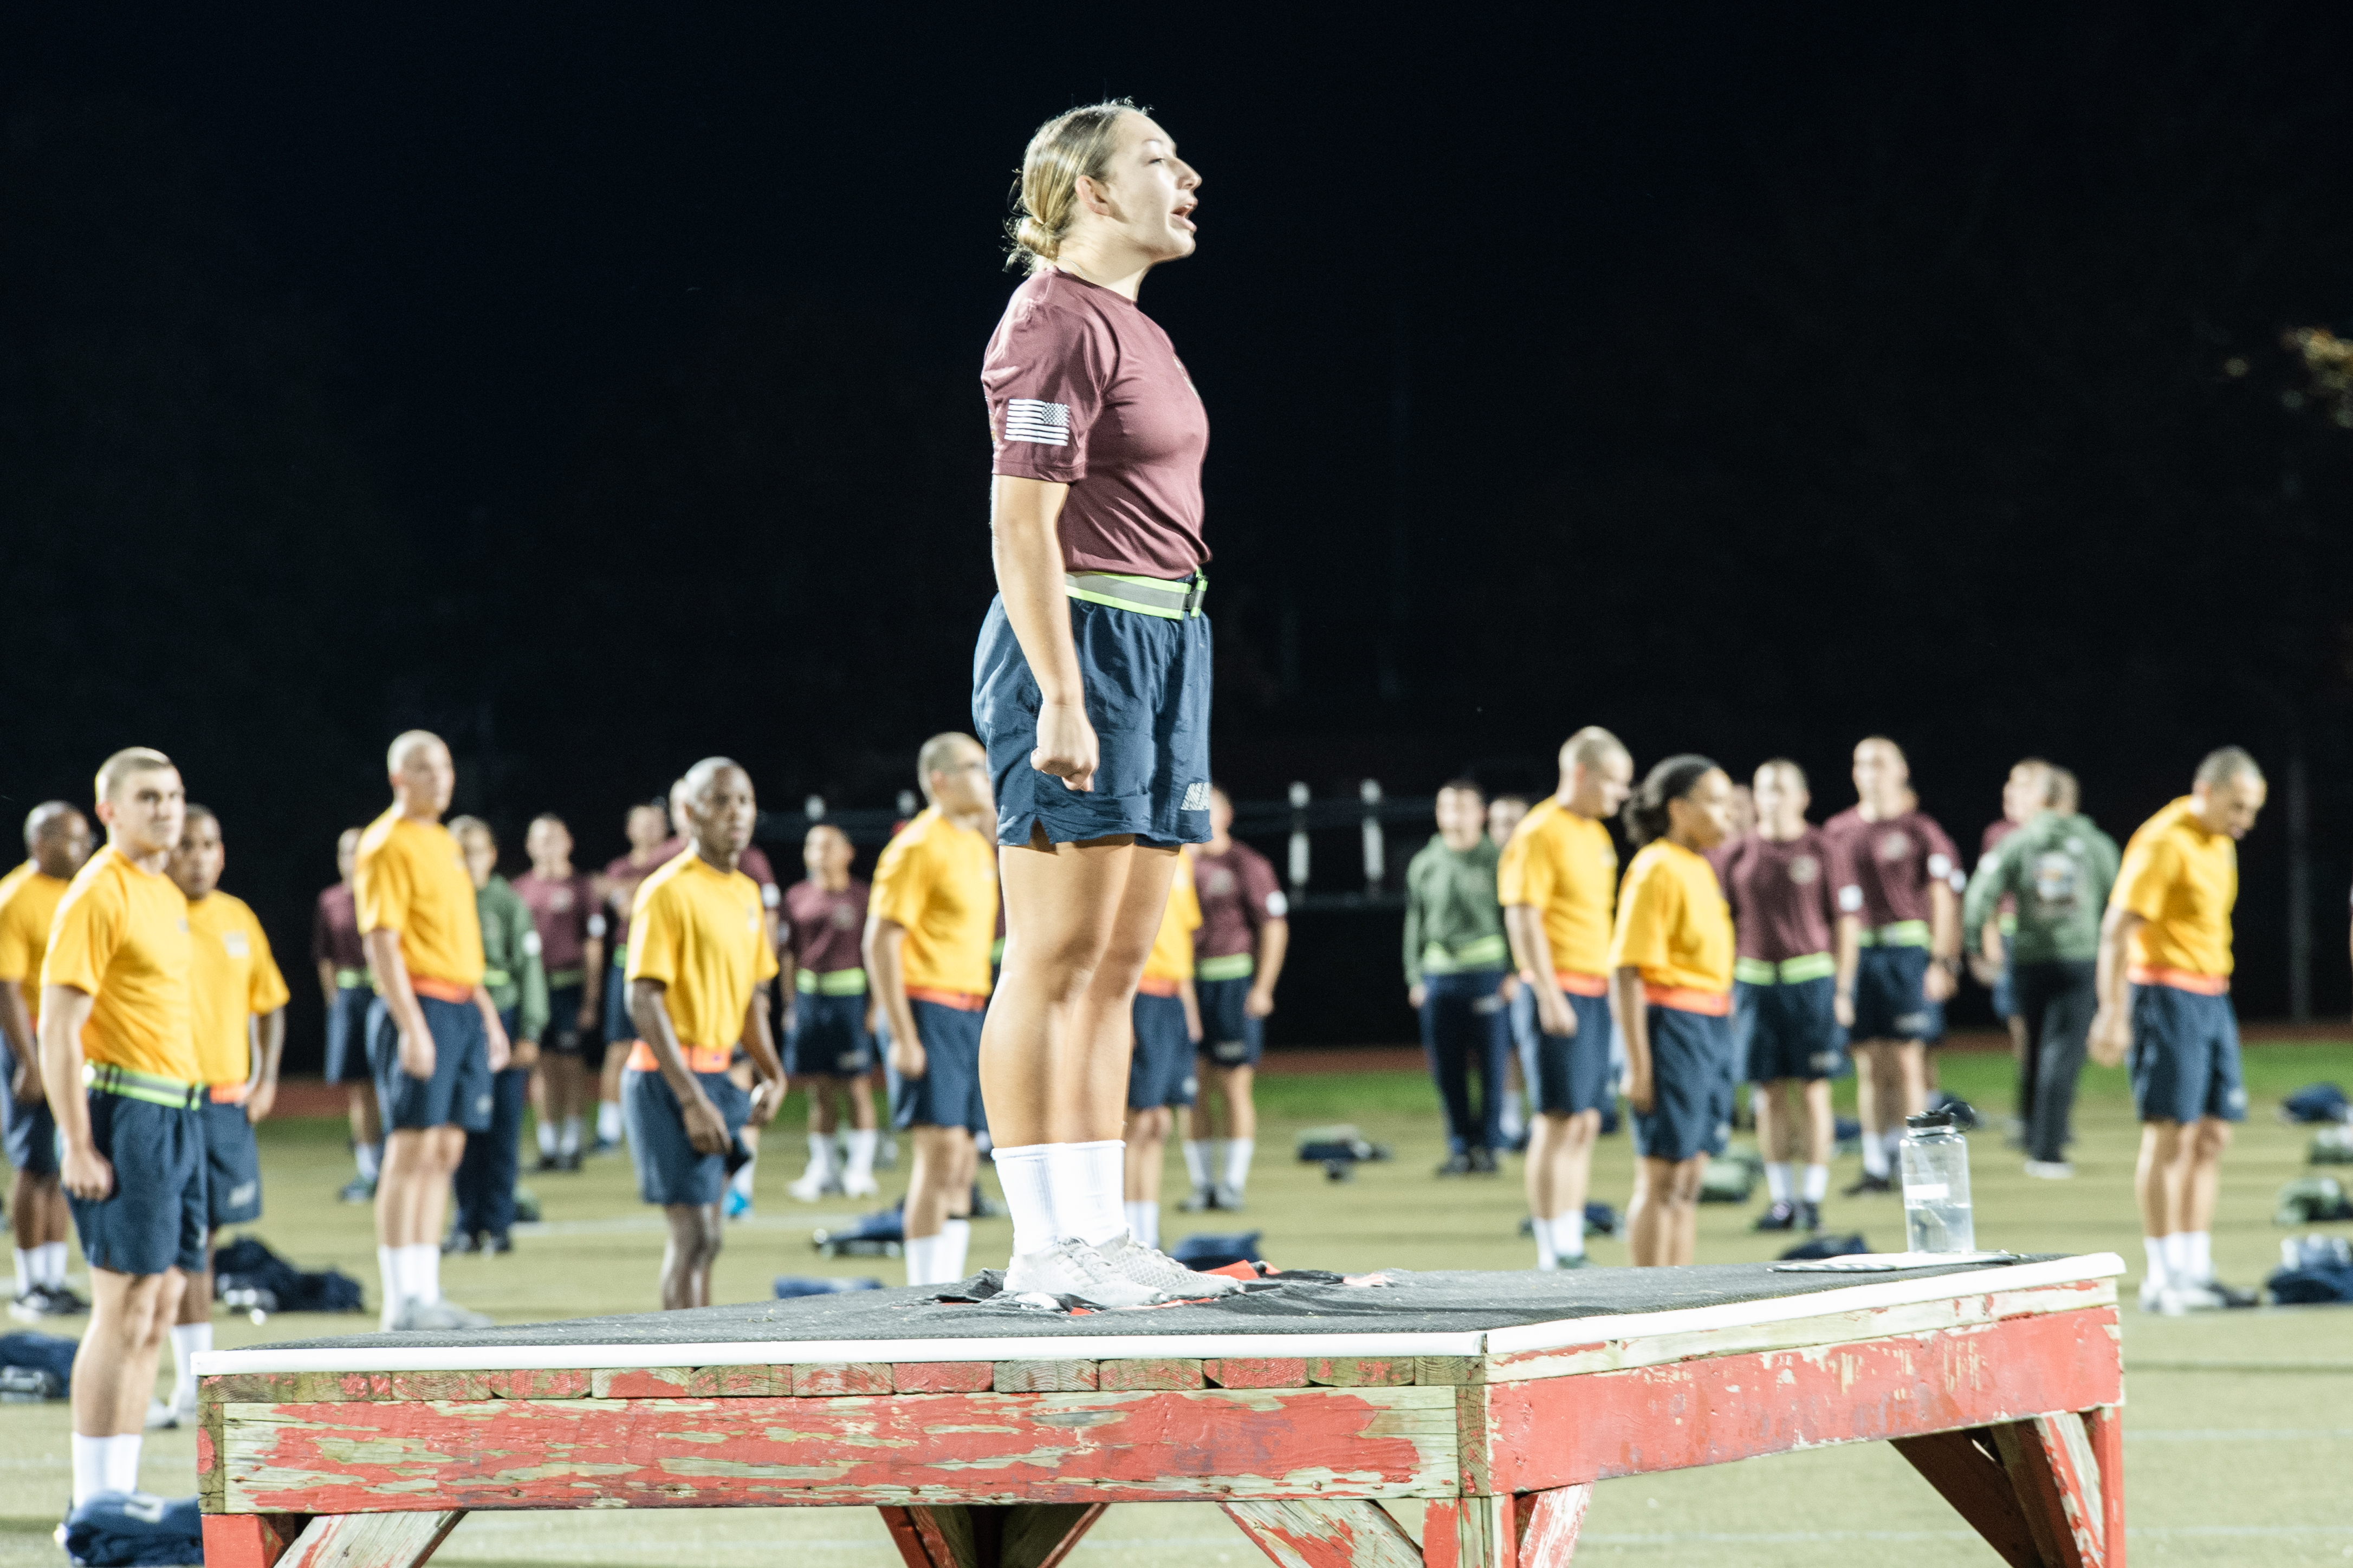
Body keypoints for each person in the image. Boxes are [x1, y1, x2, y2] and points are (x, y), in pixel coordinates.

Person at [969, 101, 1236, 1308]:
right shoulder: (1049, 321)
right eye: (1156, 159)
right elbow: (1016, 522)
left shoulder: (1129, 324)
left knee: (1120, 959)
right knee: (1051, 950)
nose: (1185, 175)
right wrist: (1062, 696)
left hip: (1166, 640)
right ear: (1086, 190)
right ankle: (1041, 1247)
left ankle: (1104, 1232)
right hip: (1078, 639)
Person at [38, 749, 199, 1507]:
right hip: (126, 1110)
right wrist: (76, 1139)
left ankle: (124, 1492)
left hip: (180, 1108)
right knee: (121, 1304)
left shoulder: (161, 888)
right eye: (148, 796)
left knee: (161, 1300)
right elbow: (58, 1026)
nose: (166, 808)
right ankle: (93, 1503)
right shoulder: (98, 891)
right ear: (109, 809)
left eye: (172, 794)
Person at [2091, 747, 2265, 1312]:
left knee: (2212, 1134)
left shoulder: (2219, 842)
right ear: (2206, 791)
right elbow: (2116, 929)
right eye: (2237, 806)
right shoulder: (2163, 840)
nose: (2245, 820)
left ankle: (2195, 1270)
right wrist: (2111, 1011)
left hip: (2212, 995)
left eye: (2252, 809)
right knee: (2170, 1135)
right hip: (2164, 995)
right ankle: (2161, 1279)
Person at [354, 732, 506, 1331]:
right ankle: (400, 1301)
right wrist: (411, 1025)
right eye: (425, 767)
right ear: (399, 778)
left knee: (446, 1148)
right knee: (410, 1147)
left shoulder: (443, 841)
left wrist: (486, 1016)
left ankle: (427, 1291)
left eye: (446, 765)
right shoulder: (386, 843)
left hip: (460, 1004)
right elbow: (381, 940)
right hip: (420, 1003)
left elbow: (460, 944)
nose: (441, 777)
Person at [622, 759, 785, 1309]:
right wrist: (690, 1099)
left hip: (719, 1074)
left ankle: (701, 1363)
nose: (735, 813)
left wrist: (772, 1072)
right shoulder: (665, 891)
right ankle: (678, 1369)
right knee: (693, 1236)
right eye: (719, 802)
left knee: (710, 1240)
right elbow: (642, 997)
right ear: (688, 813)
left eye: (743, 800)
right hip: (668, 1080)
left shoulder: (744, 892)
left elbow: (751, 998)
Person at [154, 805, 288, 1428]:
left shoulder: (237, 917)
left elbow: (270, 1004)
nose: (201, 856)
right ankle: (185, 1383)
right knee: (176, 1246)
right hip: (163, 1100)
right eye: (188, 845)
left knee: (203, 1244)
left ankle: (192, 1383)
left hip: (226, 1104)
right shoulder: (151, 912)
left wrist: (264, 1079)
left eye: (210, 843)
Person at [867, 736, 1000, 1288]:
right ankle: (925, 1291)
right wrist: (902, 1034)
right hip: (929, 1008)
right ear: (940, 779)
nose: (988, 775)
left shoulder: (971, 842)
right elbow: (879, 941)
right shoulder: (917, 846)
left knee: (965, 1157)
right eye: (975, 768)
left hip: (970, 1009)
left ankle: (950, 1288)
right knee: (939, 1152)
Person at [1500, 728, 1635, 1270]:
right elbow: (1522, 913)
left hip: (1595, 990)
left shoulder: (1596, 836)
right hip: (1556, 991)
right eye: (1615, 782)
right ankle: (1548, 1249)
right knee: (1555, 1119)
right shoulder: (1538, 831)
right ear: (1581, 773)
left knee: (1583, 1121)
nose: (1620, 795)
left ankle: (1571, 1239)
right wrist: (1548, 992)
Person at [1715, 761, 1856, 1234]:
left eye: (1780, 789)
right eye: (1763, 790)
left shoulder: (1823, 848)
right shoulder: (1736, 853)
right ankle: (1781, 1200)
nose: (1771, 798)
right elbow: (1720, 926)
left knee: (1814, 1092)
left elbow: (1845, 922)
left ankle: (1812, 1197)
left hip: (1811, 983)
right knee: (1768, 1095)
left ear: (1802, 797)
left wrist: (1842, 987)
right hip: (1754, 986)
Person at [1611, 757, 1738, 1267]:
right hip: (1672, 1027)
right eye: (1715, 802)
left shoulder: (1699, 866)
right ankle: (1646, 1306)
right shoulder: (1654, 867)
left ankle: (1680, 1299)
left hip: (1709, 1027)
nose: (1727, 815)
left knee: (1688, 1180)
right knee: (1661, 1178)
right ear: (1678, 809)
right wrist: (1638, 1067)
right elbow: (1625, 971)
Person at [1822, 737, 1962, 1195]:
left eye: (1880, 763)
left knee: (1906, 1061)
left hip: (1904, 954)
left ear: (1901, 770)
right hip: (1859, 955)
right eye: (1861, 763)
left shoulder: (1920, 830)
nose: (1870, 771)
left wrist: (1942, 960)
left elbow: (1942, 897)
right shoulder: (1837, 831)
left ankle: (1915, 1161)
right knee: (1868, 1065)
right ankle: (1875, 1162)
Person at [0, 802, 95, 1319]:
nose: (83, 849)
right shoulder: (15, 897)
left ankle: (54, 1279)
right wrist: (29, 1061)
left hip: (70, 1039)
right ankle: (29, 1282)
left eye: (85, 839)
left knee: (59, 1163)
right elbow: (7, 988)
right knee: (33, 1165)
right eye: (72, 839)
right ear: (40, 842)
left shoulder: (76, 892)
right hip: (32, 1039)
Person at [1179, 785, 1287, 1211]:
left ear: (1227, 813)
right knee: (1193, 1087)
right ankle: (1201, 1184)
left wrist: (1263, 986)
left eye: (1209, 808)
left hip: (1231, 982)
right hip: (1184, 985)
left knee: (1234, 1084)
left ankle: (1232, 1183)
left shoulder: (1247, 863)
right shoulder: (1176, 863)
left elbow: (1273, 926)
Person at [449, 818, 548, 1255]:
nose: (467, 859)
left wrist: (529, 1030)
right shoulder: (441, 902)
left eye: (475, 850)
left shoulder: (508, 903)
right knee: (459, 1129)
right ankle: (464, 1223)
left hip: (501, 1019)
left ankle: (499, 1223)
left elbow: (529, 971)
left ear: (492, 853)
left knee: (502, 1127)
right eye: (458, 850)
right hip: (454, 1021)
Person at [1404, 779, 1511, 1175]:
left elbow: (1512, 919)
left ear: (1480, 814)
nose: (1454, 816)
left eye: (1463, 808)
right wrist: (1414, 975)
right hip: (1439, 976)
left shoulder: (1498, 860)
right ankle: (1459, 1147)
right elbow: (1413, 924)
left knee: (1492, 1067)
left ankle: (1489, 1146)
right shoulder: (1425, 862)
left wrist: (1514, 971)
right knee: (1446, 1069)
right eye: (1446, 807)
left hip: (1486, 973)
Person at [780, 823, 879, 1202]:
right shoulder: (796, 897)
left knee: (856, 1086)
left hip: (850, 999)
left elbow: (877, 955)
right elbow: (788, 954)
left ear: (846, 852)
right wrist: (791, 1004)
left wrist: (876, 1006)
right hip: (810, 1000)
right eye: (812, 845)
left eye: (827, 845)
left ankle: (859, 1170)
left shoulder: (861, 896)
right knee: (817, 1089)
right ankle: (822, 1169)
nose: (818, 852)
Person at [514, 814, 604, 1174]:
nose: (547, 844)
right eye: (540, 838)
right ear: (530, 845)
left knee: (570, 1065)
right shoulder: (519, 888)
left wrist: (590, 999)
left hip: (569, 985)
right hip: (533, 988)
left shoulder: (581, 887)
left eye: (554, 837)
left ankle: (572, 1141)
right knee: (539, 1065)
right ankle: (548, 1145)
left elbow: (593, 945)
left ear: (568, 842)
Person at [1124, 849, 1203, 1250]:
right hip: (1138, 995)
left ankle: (1148, 1236)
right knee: (1135, 1122)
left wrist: (1188, 1007)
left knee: (1159, 1123)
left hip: (1171, 996)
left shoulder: (1182, 856)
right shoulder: (1127, 848)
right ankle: (1123, 1235)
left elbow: (1181, 936)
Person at [1974, 759, 2053, 1134]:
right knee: (2023, 1032)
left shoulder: (2055, 833)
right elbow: (1986, 895)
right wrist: (1988, 940)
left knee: (2054, 1033)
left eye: (2022, 784)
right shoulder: (1998, 834)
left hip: (2052, 945)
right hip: (2013, 941)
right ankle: (2030, 1113)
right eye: (2010, 783)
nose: (2010, 791)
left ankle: (2050, 1113)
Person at [596, 801, 677, 1153]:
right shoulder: (620, 866)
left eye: (656, 822)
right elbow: (628, 908)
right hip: (627, 962)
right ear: (629, 829)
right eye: (641, 823)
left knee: (670, 1045)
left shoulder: (675, 862)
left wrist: (629, 887)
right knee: (619, 1048)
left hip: (667, 962)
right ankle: (609, 1130)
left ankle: (663, 1121)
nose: (649, 829)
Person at [311, 829, 381, 1204]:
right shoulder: (331, 900)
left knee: (391, 1086)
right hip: (352, 996)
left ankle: (394, 1166)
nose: (352, 858)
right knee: (360, 1088)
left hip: (384, 993)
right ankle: (369, 1168)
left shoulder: (385, 892)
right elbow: (324, 956)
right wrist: (335, 1002)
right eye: (346, 851)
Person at [1486, 793, 1534, 1151]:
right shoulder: (1485, 866)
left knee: (1535, 1048)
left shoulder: (1537, 864)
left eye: (1515, 821)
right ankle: (1509, 1121)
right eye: (1500, 822)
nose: (1508, 830)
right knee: (1504, 1050)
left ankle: (1539, 1119)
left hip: (1538, 974)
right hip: (1499, 975)